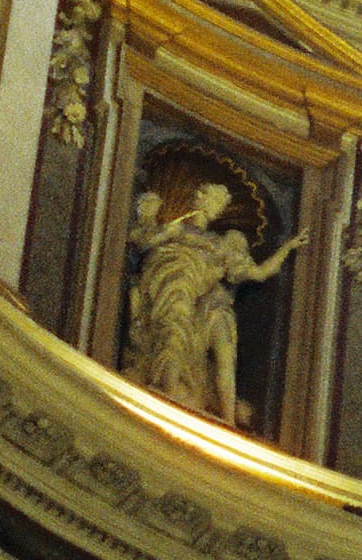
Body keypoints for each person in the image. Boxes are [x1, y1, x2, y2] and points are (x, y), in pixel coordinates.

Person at [124, 180, 299, 424]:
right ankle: (167, 390)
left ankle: (180, 394)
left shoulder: (220, 246)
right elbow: (144, 241)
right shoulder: (178, 229)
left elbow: (258, 273)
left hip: (190, 289)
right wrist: (148, 220)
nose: (200, 195)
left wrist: (287, 248)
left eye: (209, 196)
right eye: (204, 193)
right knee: (172, 331)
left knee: (181, 333)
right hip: (167, 281)